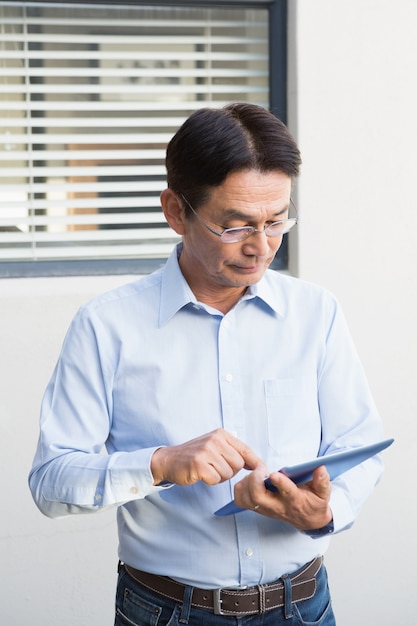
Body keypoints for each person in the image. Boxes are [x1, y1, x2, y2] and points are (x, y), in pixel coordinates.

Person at [29, 103, 384, 626]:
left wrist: (327, 512)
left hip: (305, 607)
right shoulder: (106, 326)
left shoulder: (317, 313)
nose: (261, 248)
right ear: (176, 211)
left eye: (276, 221)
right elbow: (51, 483)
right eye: (235, 226)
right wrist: (158, 464)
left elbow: (360, 447)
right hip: (165, 613)